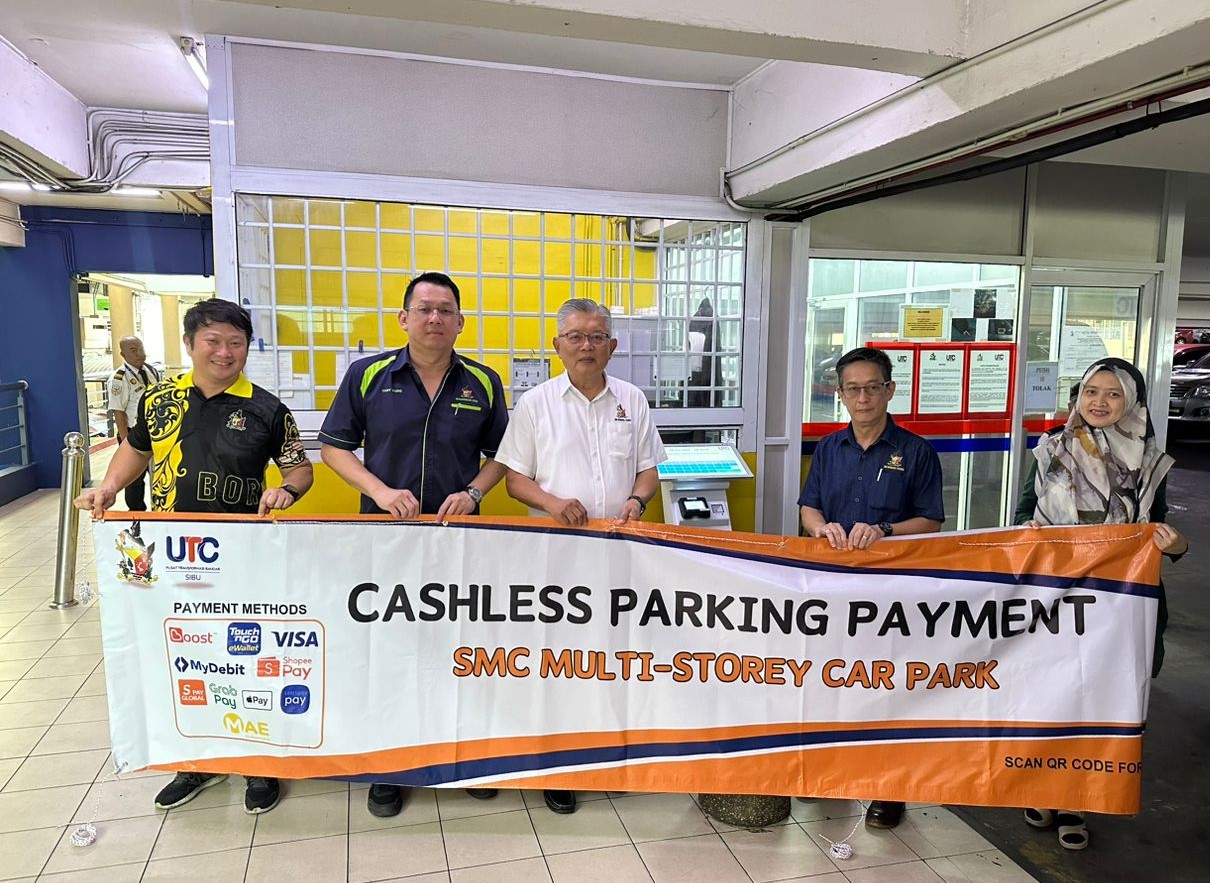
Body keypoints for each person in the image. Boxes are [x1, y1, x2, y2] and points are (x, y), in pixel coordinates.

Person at [76, 299, 313, 815]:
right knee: (184, 657)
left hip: (241, 558)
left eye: (236, 342)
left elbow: (299, 471)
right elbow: (136, 451)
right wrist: (109, 488)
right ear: (190, 344)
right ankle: (195, 762)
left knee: (250, 660)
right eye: (213, 341)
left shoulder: (269, 409)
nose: (225, 352)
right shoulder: (160, 400)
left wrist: (286, 493)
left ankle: (259, 763)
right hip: (169, 558)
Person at [319, 271, 509, 817]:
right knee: (391, 653)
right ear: (403, 318)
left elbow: (502, 454)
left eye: (445, 311)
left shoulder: (484, 383)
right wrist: (378, 491)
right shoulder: (368, 375)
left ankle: (463, 758)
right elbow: (334, 448)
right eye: (423, 309)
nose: (434, 319)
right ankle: (388, 768)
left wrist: (474, 491)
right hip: (385, 544)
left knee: (463, 650)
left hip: (460, 542)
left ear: (460, 322)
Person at [494, 297, 667, 814]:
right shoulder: (535, 404)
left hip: (618, 554)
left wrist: (637, 500)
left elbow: (648, 469)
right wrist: (550, 503)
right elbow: (513, 479)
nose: (586, 346)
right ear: (558, 346)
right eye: (575, 336)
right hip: (554, 559)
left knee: (615, 656)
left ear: (612, 345)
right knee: (558, 660)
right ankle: (558, 765)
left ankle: (610, 754)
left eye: (596, 336)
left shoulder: (632, 400)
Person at [1014, 357, 1186, 851]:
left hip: (1119, 602)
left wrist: (1174, 546)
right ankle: (1046, 787)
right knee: (1052, 696)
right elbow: (1027, 510)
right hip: (1056, 596)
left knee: (1098, 701)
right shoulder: (1050, 451)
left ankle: (1077, 802)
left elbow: (1162, 527)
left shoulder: (1150, 461)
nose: (1100, 402)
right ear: (1077, 398)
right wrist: (1027, 527)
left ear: (1131, 403)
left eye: (1113, 394)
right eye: (1091, 391)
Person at [798, 346, 944, 830]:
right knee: (828, 678)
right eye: (853, 389)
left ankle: (888, 788)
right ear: (839, 394)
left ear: (890, 390)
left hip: (891, 591)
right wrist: (820, 529)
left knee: (886, 686)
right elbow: (809, 508)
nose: (863, 398)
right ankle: (826, 772)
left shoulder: (917, 452)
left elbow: (931, 521)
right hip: (833, 586)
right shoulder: (828, 448)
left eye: (872, 387)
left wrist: (885, 532)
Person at [106, 335, 161, 511]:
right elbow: (118, 411)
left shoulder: (152, 371)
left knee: (157, 473)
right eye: (133, 350)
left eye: (141, 348)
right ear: (123, 354)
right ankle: (136, 513)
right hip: (132, 432)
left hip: (154, 431)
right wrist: (126, 442)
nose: (139, 353)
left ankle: (158, 511)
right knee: (134, 479)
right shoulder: (119, 378)